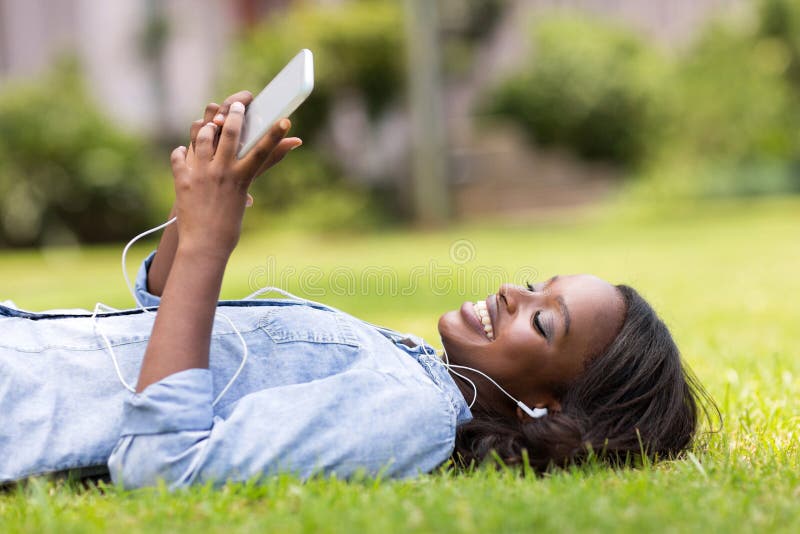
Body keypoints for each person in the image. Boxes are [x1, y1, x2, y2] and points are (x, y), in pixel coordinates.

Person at [0, 92, 714, 489]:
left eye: (543, 323)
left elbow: (163, 461)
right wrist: (202, 219)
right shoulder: (413, 370)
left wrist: (211, 248)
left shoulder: (409, 415)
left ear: (547, 408)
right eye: (535, 287)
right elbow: (165, 332)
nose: (509, 293)